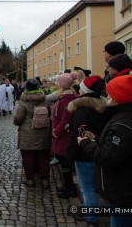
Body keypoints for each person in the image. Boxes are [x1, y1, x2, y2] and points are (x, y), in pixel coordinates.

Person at [78, 72, 132, 227]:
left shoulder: (123, 123)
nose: (106, 97)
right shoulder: (121, 116)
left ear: (118, 98)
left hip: (122, 193)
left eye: (110, 94)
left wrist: (86, 144)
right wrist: (96, 139)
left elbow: (109, 157)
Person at [65, 76, 107, 226]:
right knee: (98, 186)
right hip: (99, 150)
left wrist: (68, 157)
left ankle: (91, 217)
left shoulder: (82, 110)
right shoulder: (103, 107)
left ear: (85, 90)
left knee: (87, 187)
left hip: (84, 153)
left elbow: (78, 133)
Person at [13, 79, 51, 188]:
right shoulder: (45, 99)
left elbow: (18, 118)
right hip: (44, 131)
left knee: (28, 157)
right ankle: (45, 180)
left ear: (27, 88)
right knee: (44, 156)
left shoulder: (24, 101)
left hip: (27, 133)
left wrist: (16, 122)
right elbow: (49, 113)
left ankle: (30, 179)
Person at [51, 73, 79, 198]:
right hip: (62, 136)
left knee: (66, 164)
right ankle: (69, 187)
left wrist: (56, 132)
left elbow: (65, 120)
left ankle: (70, 189)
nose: (56, 84)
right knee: (65, 164)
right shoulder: (65, 98)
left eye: (57, 82)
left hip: (63, 137)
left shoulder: (66, 100)